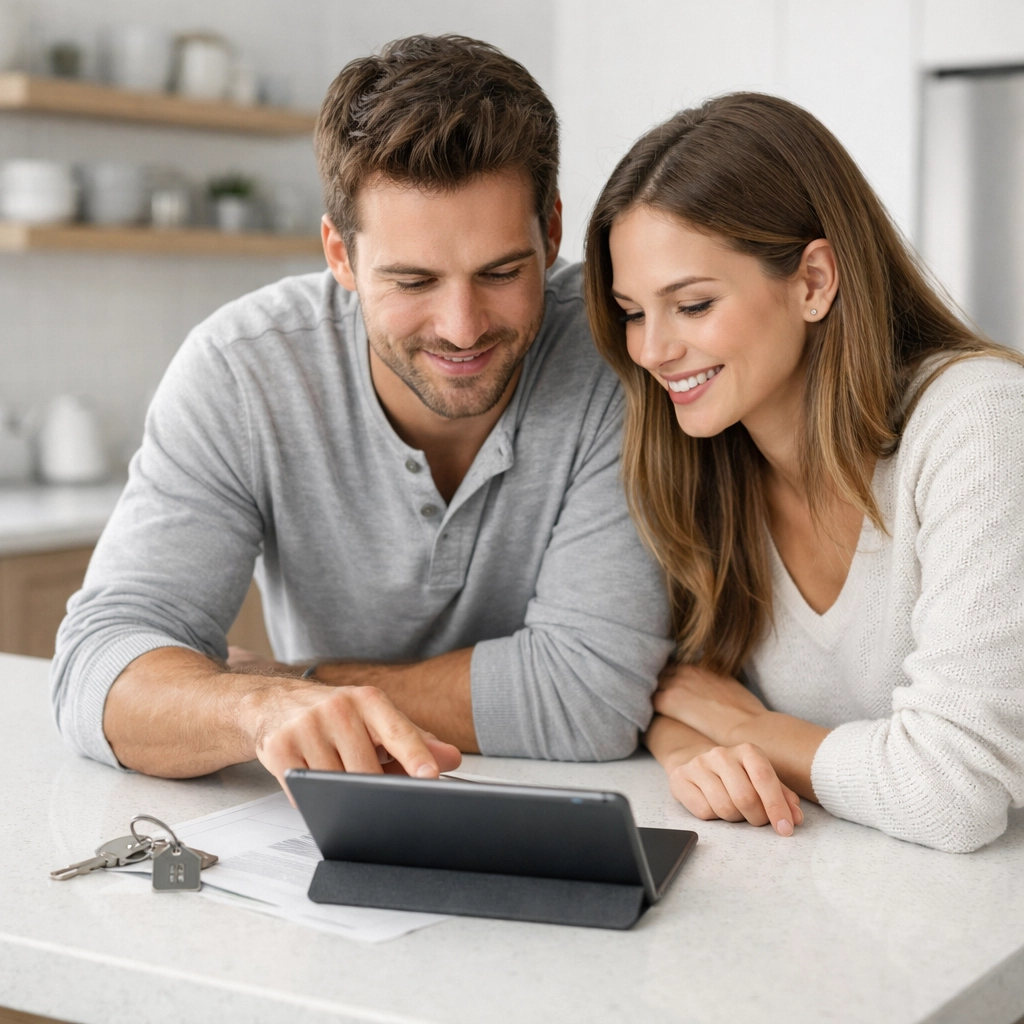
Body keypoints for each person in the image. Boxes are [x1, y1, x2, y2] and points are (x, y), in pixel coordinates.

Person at [51, 35, 673, 790]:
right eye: (412, 281)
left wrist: (302, 684)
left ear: (550, 233)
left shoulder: (623, 352)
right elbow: (95, 670)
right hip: (338, 817)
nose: (462, 325)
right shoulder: (242, 371)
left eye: (501, 272)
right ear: (339, 255)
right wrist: (259, 709)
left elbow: (585, 699)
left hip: (592, 807)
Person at [583, 92, 1024, 854]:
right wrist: (694, 750)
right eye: (632, 311)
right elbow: (677, 690)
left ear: (814, 281)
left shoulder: (977, 424)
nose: (651, 351)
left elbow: (955, 791)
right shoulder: (704, 459)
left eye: (691, 305)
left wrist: (751, 729)